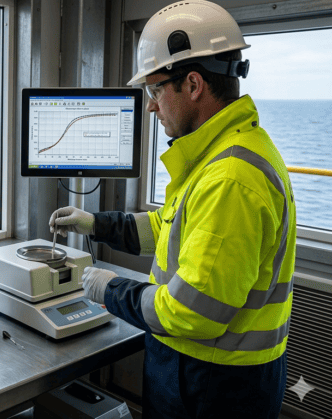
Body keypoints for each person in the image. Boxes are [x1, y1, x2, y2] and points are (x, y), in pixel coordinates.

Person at [49, 1, 297, 417]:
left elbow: (191, 312)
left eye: (155, 90)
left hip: (215, 383)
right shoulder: (223, 152)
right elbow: (172, 228)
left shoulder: (230, 179)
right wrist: (97, 224)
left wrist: (108, 290)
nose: (150, 106)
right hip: (204, 368)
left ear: (194, 84)